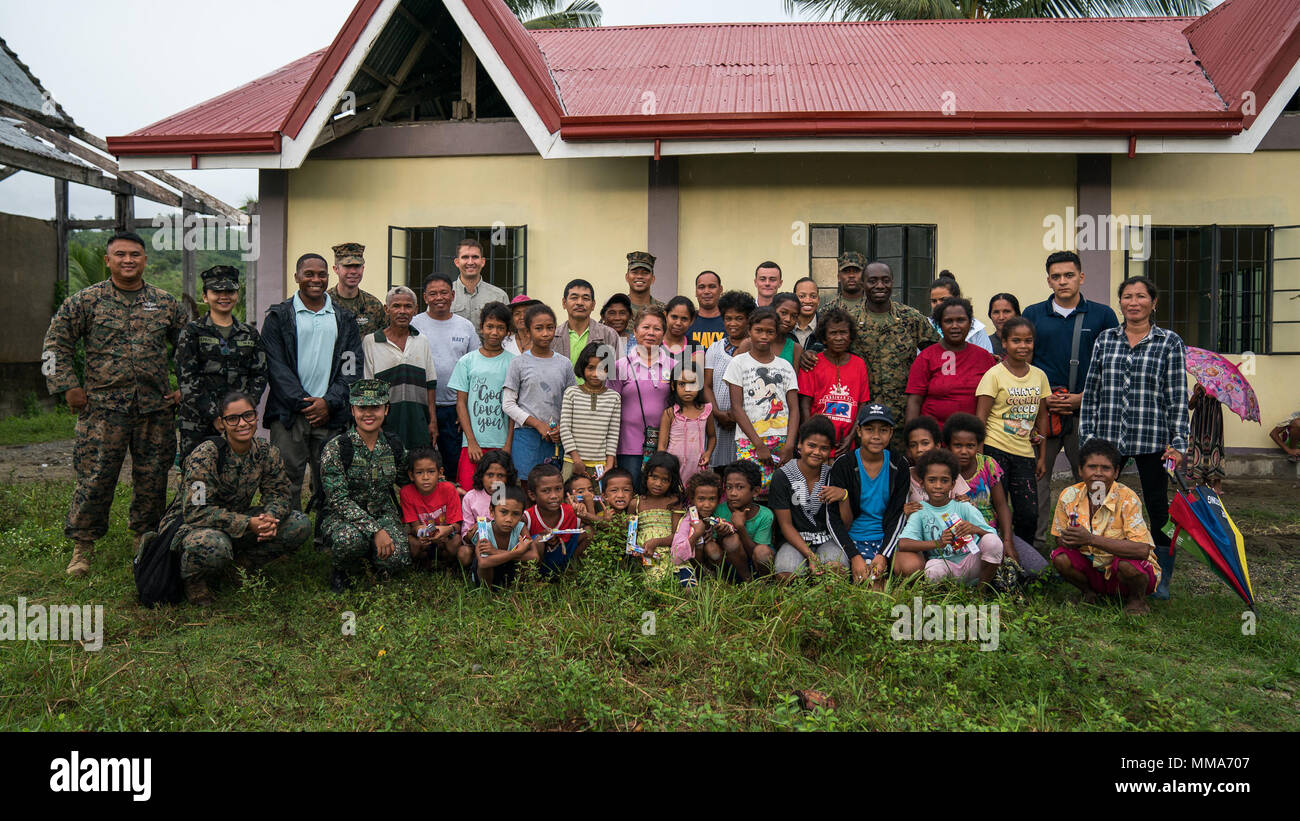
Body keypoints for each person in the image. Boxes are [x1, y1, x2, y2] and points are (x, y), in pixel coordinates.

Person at [43, 230, 189, 576]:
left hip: (154, 409)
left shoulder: (164, 302)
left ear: (144, 260)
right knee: (95, 478)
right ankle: (82, 547)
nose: (128, 260)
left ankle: (144, 540)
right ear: (108, 260)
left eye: (135, 254)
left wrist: (185, 386)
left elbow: (189, 347)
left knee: (152, 479)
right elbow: (54, 346)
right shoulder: (85, 301)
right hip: (102, 410)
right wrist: (67, 386)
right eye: (120, 254)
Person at [1080, 275, 1188, 600]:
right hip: (1108, 439)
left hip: (1152, 438)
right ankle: (1093, 571)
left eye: (1141, 296)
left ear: (1153, 303)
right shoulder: (1105, 339)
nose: (1134, 302)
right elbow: (1092, 392)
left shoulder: (1169, 342)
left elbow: (1177, 396)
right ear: (1121, 302)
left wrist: (1179, 442)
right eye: (1128, 296)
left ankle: (1161, 575)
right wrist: (1088, 438)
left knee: (1157, 508)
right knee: (1096, 502)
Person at [161, 392, 310, 606]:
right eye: (233, 418)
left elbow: (279, 493)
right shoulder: (206, 455)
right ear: (222, 423)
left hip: (235, 521)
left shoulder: (266, 451)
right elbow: (196, 512)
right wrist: (248, 523)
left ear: (256, 417)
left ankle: (242, 565)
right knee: (213, 544)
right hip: (194, 527)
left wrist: (269, 517)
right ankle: (194, 580)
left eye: (248, 416)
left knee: (298, 524)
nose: (242, 423)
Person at [1022, 250, 1119, 555]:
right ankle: (1034, 553)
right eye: (1056, 276)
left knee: (1093, 481)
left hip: (1086, 413)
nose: (1062, 281)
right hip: (1043, 413)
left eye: (1069, 275)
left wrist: (1082, 399)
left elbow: (1112, 367)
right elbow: (1025, 360)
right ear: (1048, 280)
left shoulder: (1103, 315)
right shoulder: (1033, 314)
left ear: (1081, 277)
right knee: (1036, 482)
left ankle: (1093, 548)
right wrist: (1043, 397)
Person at [261, 252, 363, 512]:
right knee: (285, 477)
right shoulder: (278, 317)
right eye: (309, 274)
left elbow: (351, 368)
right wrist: (306, 403)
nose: (315, 279)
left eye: (321, 274)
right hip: (288, 413)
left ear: (328, 276)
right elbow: (276, 367)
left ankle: (326, 533)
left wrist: (328, 403)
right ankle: (288, 532)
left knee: (330, 479)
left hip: (330, 414)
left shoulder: (344, 319)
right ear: (297, 277)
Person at [810, 255, 939, 449]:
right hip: (860, 419)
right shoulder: (849, 321)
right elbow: (821, 347)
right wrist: (807, 355)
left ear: (892, 283)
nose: (880, 285)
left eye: (885, 280)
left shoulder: (911, 318)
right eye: (873, 281)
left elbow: (937, 352)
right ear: (863, 284)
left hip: (902, 416)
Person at [318, 380, 411, 592]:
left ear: (386, 409)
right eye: (362, 408)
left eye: (375, 407)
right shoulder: (337, 448)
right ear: (352, 410)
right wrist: (376, 530)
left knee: (398, 558)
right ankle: (341, 570)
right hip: (342, 517)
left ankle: (373, 560)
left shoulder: (393, 445)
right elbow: (338, 500)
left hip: (382, 511)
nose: (368, 414)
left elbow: (408, 480)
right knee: (350, 541)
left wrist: (447, 487)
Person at [1050, 437, 1160, 614]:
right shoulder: (1069, 495)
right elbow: (1058, 539)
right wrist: (1069, 540)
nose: (1098, 473)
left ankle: (1136, 601)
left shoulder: (1127, 498)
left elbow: (1142, 550)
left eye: (1106, 468)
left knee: (1127, 566)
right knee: (1060, 557)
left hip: (1124, 572)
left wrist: (1091, 539)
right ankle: (1089, 593)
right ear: (1080, 470)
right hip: (1093, 569)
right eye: (1092, 467)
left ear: (1116, 472)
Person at [176, 264, 268, 463]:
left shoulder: (249, 334)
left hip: (238, 422)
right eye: (217, 291)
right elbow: (187, 378)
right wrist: (215, 416)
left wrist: (241, 413)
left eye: (230, 291)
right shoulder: (192, 332)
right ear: (205, 296)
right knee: (197, 477)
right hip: (198, 422)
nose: (224, 296)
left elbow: (259, 375)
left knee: (236, 474)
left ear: (236, 294)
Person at [976, 316, 1051, 553]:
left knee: (1028, 513)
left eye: (1028, 340)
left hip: (1024, 454)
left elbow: (1041, 417)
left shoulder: (1039, 375)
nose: (1023, 346)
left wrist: (1041, 456)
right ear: (1004, 343)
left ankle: (1023, 560)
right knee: (995, 509)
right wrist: (980, 459)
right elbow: (981, 417)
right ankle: (995, 558)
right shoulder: (994, 375)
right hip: (995, 450)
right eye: (1016, 340)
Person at [943, 412, 1045, 575]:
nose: (964, 451)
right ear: (948, 445)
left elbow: (1002, 505)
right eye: (957, 445)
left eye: (970, 446)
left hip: (991, 532)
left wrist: (1007, 540)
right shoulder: (943, 471)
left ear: (978, 445)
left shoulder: (988, 465)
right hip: (960, 535)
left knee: (1037, 569)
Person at [826, 404, 910, 588]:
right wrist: (853, 555)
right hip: (853, 539)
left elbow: (899, 514)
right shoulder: (844, 464)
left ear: (891, 433)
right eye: (869, 429)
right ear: (858, 431)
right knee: (862, 583)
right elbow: (832, 518)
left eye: (883, 430)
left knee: (878, 588)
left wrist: (883, 554)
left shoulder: (898, 464)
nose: (876, 436)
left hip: (886, 539)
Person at [896, 448, 1003, 589]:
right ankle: (945, 594)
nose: (938, 486)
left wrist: (974, 529)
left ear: (953, 484)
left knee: (992, 542)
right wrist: (937, 543)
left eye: (944, 480)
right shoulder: (920, 511)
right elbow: (903, 543)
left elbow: (992, 537)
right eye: (932, 480)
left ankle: (981, 591)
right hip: (946, 566)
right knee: (931, 569)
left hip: (972, 561)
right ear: (922, 484)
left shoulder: (963, 506)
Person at [411, 273, 480, 475]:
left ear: (452, 295)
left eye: (443, 293)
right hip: (422, 405)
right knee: (423, 462)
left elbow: (474, 368)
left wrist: (465, 409)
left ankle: (454, 500)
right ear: (425, 298)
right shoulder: (415, 325)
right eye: (433, 294)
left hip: (454, 408)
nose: (438, 297)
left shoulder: (465, 326)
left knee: (453, 461)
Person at [725, 307, 800, 490]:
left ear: (776, 334)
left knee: (779, 493)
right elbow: (736, 407)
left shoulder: (785, 366)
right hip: (749, 441)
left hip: (781, 442)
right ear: (749, 331)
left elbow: (794, 408)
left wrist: (790, 444)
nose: (764, 336)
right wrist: (758, 444)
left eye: (770, 331)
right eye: (759, 331)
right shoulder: (738, 363)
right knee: (748, 490)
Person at [502, 303, 575, 482]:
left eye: (550, 328)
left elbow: (571, 401)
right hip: (526, 436)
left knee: (552, 486)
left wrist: (561, 429)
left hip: (556, 438)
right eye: (538, 328)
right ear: (527, 332)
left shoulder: (564, 364)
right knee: (528, 486)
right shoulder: (518, 363)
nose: (545, 333)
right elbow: (508, 404)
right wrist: (536, 424)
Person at [770, 417, 847, 579]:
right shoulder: (782, 476)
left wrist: (843, 496)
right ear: (800, 444)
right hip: (793, 541)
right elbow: (785, 525)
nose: (817, 452)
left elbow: (846, 524)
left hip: (828, 540)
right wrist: (811, 557)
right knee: (786, 574)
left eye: (824, 448)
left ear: (830, 450)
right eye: (811, 445)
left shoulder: (833, 475)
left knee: (836, 570)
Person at [448, 302, 515, 489]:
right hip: (473, 444)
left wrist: (508, 444)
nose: (494, 332)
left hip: (500, 443)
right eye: (490, 326)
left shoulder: (513, 363)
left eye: (500, 328)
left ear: (508, 331)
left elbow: (513, 407)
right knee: (470, 493)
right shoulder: (467, 361)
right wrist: (471, 441)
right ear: (482, 328)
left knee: (498, 495)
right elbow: (461, 403)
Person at [606, 307, 676, 484]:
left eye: (657, 328)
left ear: (663, 334)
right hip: (628, 446)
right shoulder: (619, 366)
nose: (651, 333)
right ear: (635, 332)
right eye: (645, 327)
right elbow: (610, 409)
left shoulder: (675, 366)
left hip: (666, 446)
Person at [362, 285, 437, 449]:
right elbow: (369, 389)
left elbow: (430, 385)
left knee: (417, 467)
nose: (402, 311)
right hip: (386, 424)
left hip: (418, 421)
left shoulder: (422, 341)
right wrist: (374, 424)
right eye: (396, 306)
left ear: (415, 310)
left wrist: (432, 422)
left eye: (408, 306)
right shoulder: (371, 342)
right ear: (386, 309)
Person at [905, 296, 996, 428]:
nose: (955, 326)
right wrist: (912, 438)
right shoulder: (926, 357)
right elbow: (914, 402)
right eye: (948, 321)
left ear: (970, 323)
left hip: (972, 439)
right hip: (934, 438)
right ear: (939, 324)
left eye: (961, 320)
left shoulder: (984, 357)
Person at [798, 307, 870, 452]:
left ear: (850, 336)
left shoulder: (859, 364)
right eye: (833, 333)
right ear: (824, 338)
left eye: (843, 332)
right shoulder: (813, 362)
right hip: (817, 444)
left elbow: (862, 404)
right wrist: (810, 436)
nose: (838, 338)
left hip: (847, 442)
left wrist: (851, 436)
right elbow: (805, 405)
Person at [703, 290, 756, 468]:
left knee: (741, 471)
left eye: (739, 318)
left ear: (749, 319)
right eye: (728, 318)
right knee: (717, 471)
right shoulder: (715, 348)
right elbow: (707, 385)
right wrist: (717, 413)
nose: (732, 323)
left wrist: (737, 415)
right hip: (717, 422)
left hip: (745, 425)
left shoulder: (757, 351)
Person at [559, 342, 621, 480]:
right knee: (572, 498)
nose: (595, 374)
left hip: (600, 465)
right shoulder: (571, 393)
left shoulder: (614, 397)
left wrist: (609, 464)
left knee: (598, 500)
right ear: (583, 368)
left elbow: (613, 433)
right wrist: (576, 460)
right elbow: (565, 428)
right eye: (590, 368)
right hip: (572, 462)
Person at [400, 448, 462, 568]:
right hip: (423, 539)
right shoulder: (406, 493)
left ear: (440, 472)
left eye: (431, 471)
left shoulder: (449, 489)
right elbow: (414, 526)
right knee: (412, 543)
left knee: (456, 540)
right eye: (419, 472)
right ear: (411, 475)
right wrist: (420, 532)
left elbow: (457, 525)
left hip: (445, 538)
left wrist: (446, 530)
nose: (425, 477)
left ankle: (447, 565)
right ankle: (422, 564)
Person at [628, 452, 686, 583]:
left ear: (672, 481)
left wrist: (657, 542)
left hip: (672, 553)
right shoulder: (636, 503)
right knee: (655, 585)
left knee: (689, 586)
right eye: (654, 477)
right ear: (646, 475)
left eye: (665, 480)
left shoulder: (674, 502)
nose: (658, 483)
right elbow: (631, 534)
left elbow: (678, 535)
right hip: (647, 556)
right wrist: (635, 548)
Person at [523, 463, 589, 576]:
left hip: (564, 559)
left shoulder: (571, 512)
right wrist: (541, 537)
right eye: (546, 491)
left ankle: (571, 572)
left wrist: (585, 514)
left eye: (558, 489)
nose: (554, 495)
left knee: (588, 531)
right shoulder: (527, 517)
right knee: (538, 541)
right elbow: (519, 547)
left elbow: (598, 527)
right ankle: (534, 579)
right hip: (540, 563)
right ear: (532, 495)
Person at [716, 460, 775, 581]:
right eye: (729, 487)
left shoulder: (765, 515)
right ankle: (748, 582)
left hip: (758, 565)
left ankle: (765, 582)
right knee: (730, 540)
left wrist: (740, 527)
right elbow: (717, 547)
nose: (733, 493)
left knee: (762, 551)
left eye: (740, 487)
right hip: (733, 566)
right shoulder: (719, 511)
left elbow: (758, 553)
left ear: (755, 491)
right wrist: (721, 535)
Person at [471, 484, 540, 589]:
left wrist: (496, 552)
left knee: (525, 561)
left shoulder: (520, 528)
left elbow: (534, 556)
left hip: (509, 572)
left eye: (515, 514)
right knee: (485, 561)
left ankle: (517, 590)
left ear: (522, 515)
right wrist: (517, 552)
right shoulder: (484, 530)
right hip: (487, 575)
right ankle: (486, 592)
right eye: (503, 512)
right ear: (492, 511)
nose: (509, 519)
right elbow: (484, 563)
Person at [670, 471, 731, 587]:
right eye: (701, 499)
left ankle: (722, 577)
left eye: (712, 499)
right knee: (699, 545)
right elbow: (676, 557)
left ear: (718, 499)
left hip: (715, 559)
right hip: (694, 563)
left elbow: (731, 529)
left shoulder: (718, 515)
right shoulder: (688, 521)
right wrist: (697, 534)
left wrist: (722, 531)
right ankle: (700, 577)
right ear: (692, 499)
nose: (707, 505)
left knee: (712, 549)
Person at [658, 365, 716, 485]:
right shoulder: (670, 413)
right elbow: (662, 446)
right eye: (682, 384)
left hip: (697, 465)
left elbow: (712, 437)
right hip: (673, 467)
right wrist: (663, 468)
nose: (687, 389)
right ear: (674, 386)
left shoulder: (706, 411)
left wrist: (708, 453)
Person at [553, 278, 619, 366]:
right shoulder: (552, 336)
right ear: (564, 303)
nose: (580, 302)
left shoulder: (609, 335)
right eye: (574, 298)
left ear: (593, 305)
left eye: (585, 298)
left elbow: (617, 374)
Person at [327, 242, 387, 335]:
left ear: (363, 268)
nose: (353, 271)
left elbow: (384, 340)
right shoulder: (324, 303)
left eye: (357, 266)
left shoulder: (374, 305)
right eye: (347, 266)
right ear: (336, 269)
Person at [460, 451, 516, 550]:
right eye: (490, 475)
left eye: (500, 475)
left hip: (506, 545)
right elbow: (465, 535)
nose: (494, 481)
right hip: (479, 546)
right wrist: (474, 531)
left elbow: (516, 528)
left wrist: (490, 525)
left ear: (508, 477)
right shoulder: (470, 498)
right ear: (481, 475)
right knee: (464, 553)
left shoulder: (511, 497)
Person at [927, 272, 993, 353]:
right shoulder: (926, 325)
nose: (938, 304)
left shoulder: (976, 328)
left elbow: (987, 358)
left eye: (943, 299)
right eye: (934, 301)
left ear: (957, 298)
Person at [449, 237, 507, 327]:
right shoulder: (445, 294)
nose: (470, 262)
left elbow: (507, 330)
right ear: (457, 262)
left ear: (482, 262)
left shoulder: (499, 296)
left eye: (475, 257)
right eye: (465, 257)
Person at [1186, 383, 1225, 492]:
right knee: (1198, 449)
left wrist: (1207, 391)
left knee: (1214, 448)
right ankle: (1203, 480)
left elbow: (1215, 397)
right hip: (1199, 423)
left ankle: (1217, 482)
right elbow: (1190, 406)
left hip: (1213, 423)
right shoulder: (1198, 385)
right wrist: (1196, 394)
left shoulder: (1219, 385)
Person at [662, 295, 706, 376]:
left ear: (692, 321)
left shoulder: (695, 347)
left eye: (684, 319)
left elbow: (693, 379)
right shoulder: (655, 343)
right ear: (665, 315)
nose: (678, 323)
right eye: (674, 317)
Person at [625, 251, 665, 325]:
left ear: (653, 279)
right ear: (627, 277)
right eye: (635, 272)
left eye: (645, 273)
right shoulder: (617, 309)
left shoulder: (663, 310)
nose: (639, 276)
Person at [688, 271, 725, 349]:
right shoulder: (686, 322)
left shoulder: (730, 322)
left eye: (712, 286)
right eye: (701, 287)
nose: (706, 291)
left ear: (720, 290)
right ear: (696, 291)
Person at [770, 292, 806, 369]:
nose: (788, 319)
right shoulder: (751, 343)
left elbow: (794, 379)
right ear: (772, 310)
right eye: (783, 313)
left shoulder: (796, 349)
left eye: (794, 316)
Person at [986, 293, 1021, 359]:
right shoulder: (985, 343)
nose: (1001, 317)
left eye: (1006, 311)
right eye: (996, 312)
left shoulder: (1026, 342)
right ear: (990, 315)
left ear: (1017, 314)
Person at [792, 276, 820, 349]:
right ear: (794, 299)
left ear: (818, 300)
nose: (807, 301)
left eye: (813, 296)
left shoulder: (826, 327)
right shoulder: (785, 327)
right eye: (802, 296)